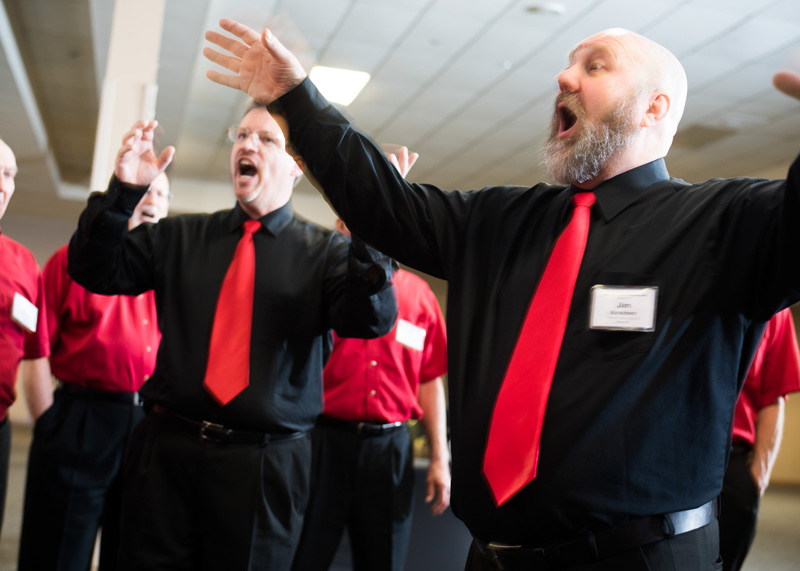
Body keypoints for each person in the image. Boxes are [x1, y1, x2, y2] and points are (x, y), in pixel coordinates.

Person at [203, 20, 800, 571]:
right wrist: (295, 99)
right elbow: (385, 204)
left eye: (595, 66)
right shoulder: (501, 220)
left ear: (654, 108)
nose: (564, 77)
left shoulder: (720, 223)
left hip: (640, 559)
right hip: (493, 557)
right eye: (570, 64)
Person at [66, 108, 398, 569]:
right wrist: (125, 192)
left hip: (264, 467)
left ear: (295, 165)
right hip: (165, 456)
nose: (247, 145)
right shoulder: (179, 236)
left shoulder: (327, 255)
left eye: (265, 139)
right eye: (242, 135)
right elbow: (92, 268)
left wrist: (372, 237)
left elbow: (371, 320)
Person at [17, 173, 171, 571]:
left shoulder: (169, 276)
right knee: (59, 550)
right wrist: (48, 422)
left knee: (129, 551)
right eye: (147, 190)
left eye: (163, 195)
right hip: (80, 420)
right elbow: (35, 347)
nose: (154, 200)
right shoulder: (72, 262)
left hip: (145, 428)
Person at [293, 217, 450, 571]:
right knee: (305, 554)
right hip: (324, 444)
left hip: (389, 450)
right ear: (339, 228)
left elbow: (429, 381)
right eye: (354, 222)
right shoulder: (322, 288)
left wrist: (440, 456)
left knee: (384, 559)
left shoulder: (420, 297)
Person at [719, 307, 800, 571]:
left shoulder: (776, 308)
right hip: (674, 455)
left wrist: (758, 477)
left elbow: (774, 396)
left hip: (731, 459)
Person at [0, 138, 50, 536]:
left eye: (10, 175)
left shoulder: (23, 262)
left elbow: (35, 353)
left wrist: (46, 430)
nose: (4, 185)